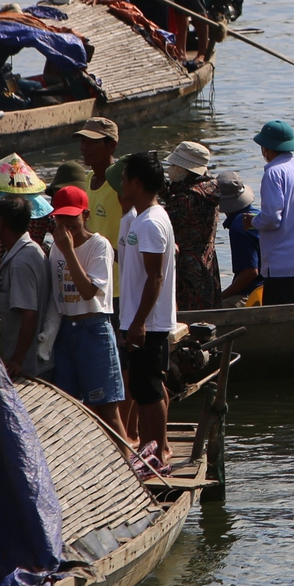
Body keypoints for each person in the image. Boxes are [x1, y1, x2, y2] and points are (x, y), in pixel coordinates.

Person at [45, 184, 125, 432]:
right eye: (61, 218)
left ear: (86, 216)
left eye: (73, 217)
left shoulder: (98, 245)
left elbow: (89, 291)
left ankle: (127, 465)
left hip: (94, 330)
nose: (67, 225)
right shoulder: (54, 249)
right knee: (67, 407)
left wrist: (69, 252)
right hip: (66, 330)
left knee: (106, 408)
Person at [116, 152, 176, 465]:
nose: (121, 183)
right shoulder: (141, 219)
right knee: (143, 386)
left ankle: (159, 451)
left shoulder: (151, 222)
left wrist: (139, 322)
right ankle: (152, 448)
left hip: (148, 321)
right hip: (136, 317)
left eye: (125, 178)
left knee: (149, 389)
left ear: (137, 183)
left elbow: (155, 276)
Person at [253, 120, 294, 305]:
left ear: (266, 148)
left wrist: (253, 222)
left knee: (276, 323)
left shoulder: (273, 173)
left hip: (280, 265)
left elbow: (272, 218)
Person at [0, 195, 57, 381]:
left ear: (1, 221)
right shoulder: (32, 250)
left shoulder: (20, 262)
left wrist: (17, 361)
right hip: (37, 362)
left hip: (28, 367)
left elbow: (29, 314)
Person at [158, 141, 223, 312]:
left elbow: (167, 221)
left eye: (173, 165)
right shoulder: (209, 188)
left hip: (187, 269)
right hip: (207, 262)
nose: (170, 170)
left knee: (189, 318)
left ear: (184, 170)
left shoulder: (186, 199)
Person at [73, 118, 125, 271]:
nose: (84, 147)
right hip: (93, 274)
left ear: (112, 145)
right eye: (83, 141)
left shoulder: (121, 185)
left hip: (116, 282)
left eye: (92, 142)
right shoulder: (89, 178)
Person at [214, 171, 263, 304]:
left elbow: (250, 272)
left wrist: (221, 297)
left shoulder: (239, 227)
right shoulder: (257, 216)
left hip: (252, 292)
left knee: (213, 312)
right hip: (266, 287)